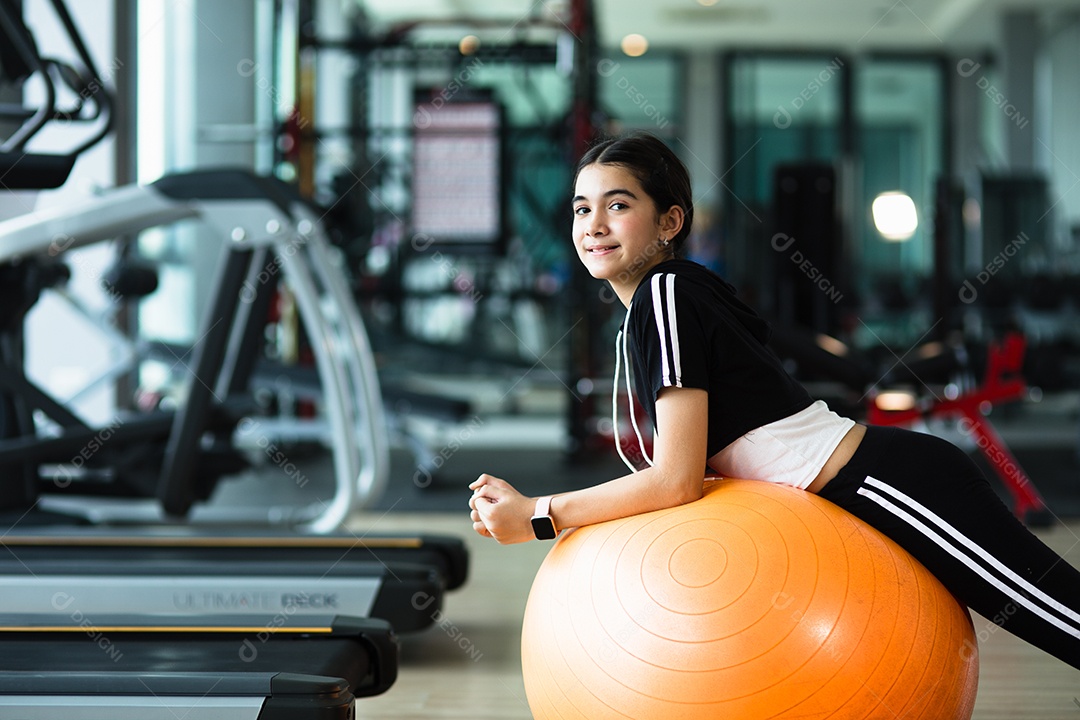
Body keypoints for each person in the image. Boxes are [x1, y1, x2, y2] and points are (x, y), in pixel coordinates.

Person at [468, 131, 1080, 670]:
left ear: (669, 222)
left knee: (1056, 616)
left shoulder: (667, 296)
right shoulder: (659, 306)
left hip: (889, 485)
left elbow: (675, 480)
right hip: (861, 488)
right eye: (582, 208)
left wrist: (539, 514)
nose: (593, 225)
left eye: (618, 205)